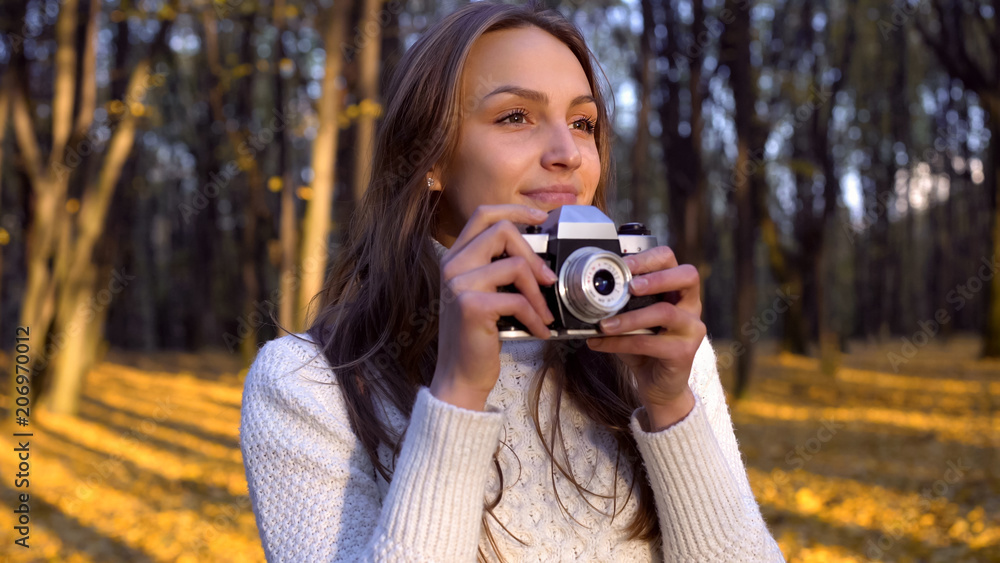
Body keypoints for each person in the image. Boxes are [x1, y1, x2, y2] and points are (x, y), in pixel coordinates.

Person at [239, 1, 785, 561]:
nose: (568, 154)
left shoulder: (654, 348)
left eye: (583, 123)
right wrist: (457, 395)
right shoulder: (306, 385)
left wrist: (671, 408)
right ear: (428, 158)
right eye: (515, 117)